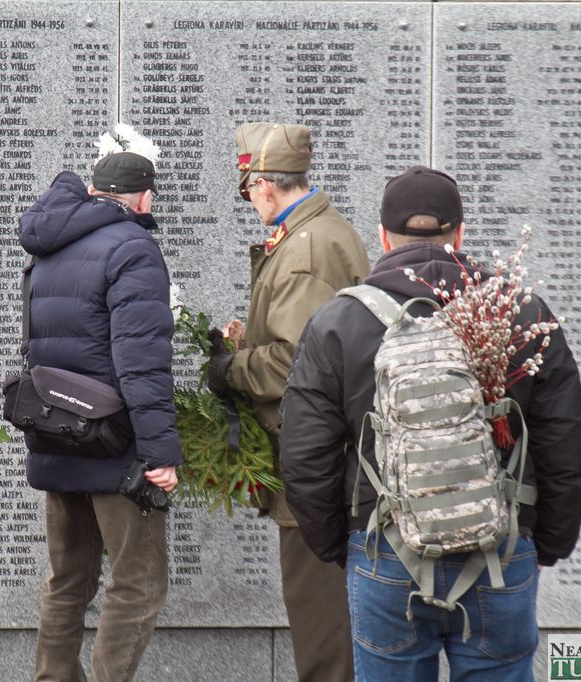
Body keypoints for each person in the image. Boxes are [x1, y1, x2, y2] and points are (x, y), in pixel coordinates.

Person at [279, 166, 581, 680]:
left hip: (384, 551)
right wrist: (548, 542)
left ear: (383, 237)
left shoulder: (336, 323)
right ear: (460, 234)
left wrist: (345, 546)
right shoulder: (521, 312)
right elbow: (567, 442)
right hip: (501, 550)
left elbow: (303, 454)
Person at [206, 122, 370, 681]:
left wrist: (231, 370)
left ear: (265, 186)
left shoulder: (305, 249)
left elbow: (298, 362)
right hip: (327, 455)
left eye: (249, 190)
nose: (251, 201)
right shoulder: (315, 234)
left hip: (316, 463)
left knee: (321, 627)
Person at [17, 136, 181, 682]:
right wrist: (159, 453)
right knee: (138, 583)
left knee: (68, 580)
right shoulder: (133, 248)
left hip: (56, 434)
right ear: (144, 199)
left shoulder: (50, 246)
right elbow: (141, 363)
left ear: (94, 191)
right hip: (115, 447)